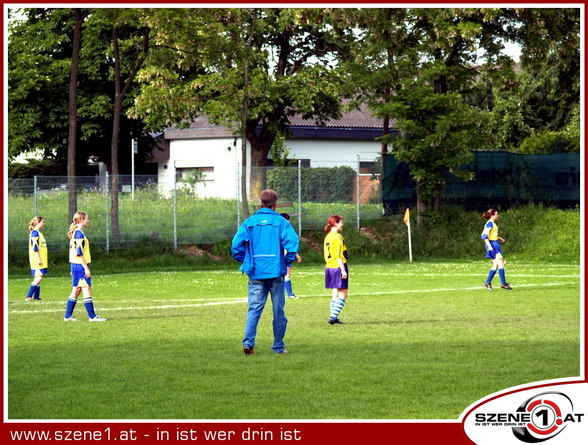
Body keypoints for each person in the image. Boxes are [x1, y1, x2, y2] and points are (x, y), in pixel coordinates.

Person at [231, 190, 299, 355]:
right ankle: (278, 346)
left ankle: (248, 343)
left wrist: (247, 260)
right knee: (278, 311)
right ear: (275, 204)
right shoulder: (281, 222)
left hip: (256, 272)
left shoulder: (249, 222)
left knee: (254, 309)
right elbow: (293, 243)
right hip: (276, 273)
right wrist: (287, 261)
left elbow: (236, 247)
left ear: (260, 202)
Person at [63, 212, 107, 322]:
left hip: (76, 265)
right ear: (81, 220)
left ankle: (68, 316)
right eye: (87, 218)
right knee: (86, 289)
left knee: (77, 290)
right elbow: (79, 252)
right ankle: (92, 317)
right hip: (80, 266)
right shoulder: (79, 234)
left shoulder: (77, 232)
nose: (88, 220)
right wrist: (86, 268)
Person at [324, 214, 349, 324]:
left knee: (335, 291)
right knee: (343, 293)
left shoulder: (328, 236)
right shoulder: (338, 236)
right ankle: (333, 317)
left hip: (329, 267)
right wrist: (343, 270)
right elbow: (339, 255)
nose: (342, 224)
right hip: (338, 266)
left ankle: (333, 315)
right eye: (341, 222)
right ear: (335, 224)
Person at [481, 209, 513, 291]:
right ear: (492, 215)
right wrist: (490, 246)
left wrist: (498, 238)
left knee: (495, 265)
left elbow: (491, 235)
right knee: (501, 263)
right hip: (493, 245)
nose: (497, 216)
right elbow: (484, 236)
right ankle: (503, 284)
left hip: (494, 243)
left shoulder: (492, 224)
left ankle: (488, 282)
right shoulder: (490, 223)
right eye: (496, 214)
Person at [280, 213, 302, 299]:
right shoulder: (286, 228)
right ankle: (290, 294)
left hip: (277, 256)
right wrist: (294, 254)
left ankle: (286, 293)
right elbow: (289, 243)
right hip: (285, 256)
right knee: (287, 275)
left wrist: (296, 254)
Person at [25, 216, 47, 301]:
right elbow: (35, 247)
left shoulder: (38, 233)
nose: (44, 224)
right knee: (39, 278)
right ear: (38, 223)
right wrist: (38, 259)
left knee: (38, 277)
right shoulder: (34, 233)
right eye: (43, 222)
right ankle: (28, 296)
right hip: (36, 259)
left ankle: (36, 297)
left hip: (41, 258)